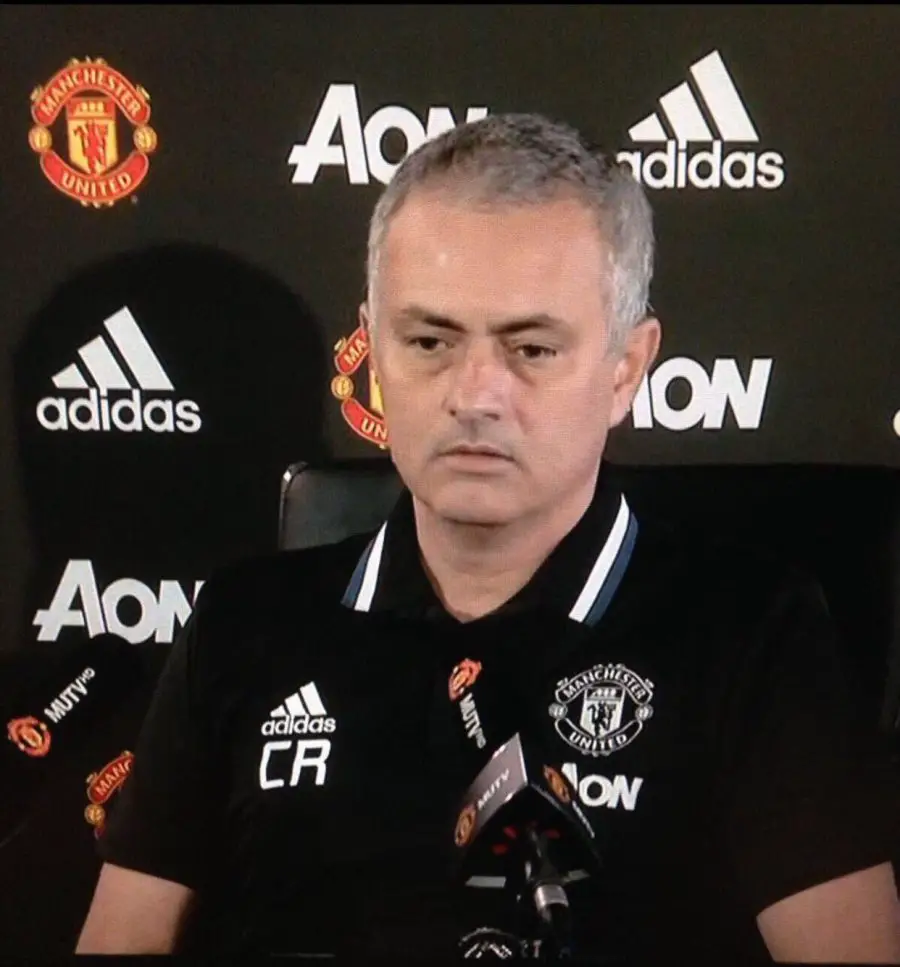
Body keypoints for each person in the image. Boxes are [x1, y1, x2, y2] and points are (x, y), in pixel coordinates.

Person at [75, 113, 900, 961]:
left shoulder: (752, 631)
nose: (474, 394)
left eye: (531, 348)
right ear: (373, 348)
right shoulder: (242, 622)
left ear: (626, 368)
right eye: (429, 340)